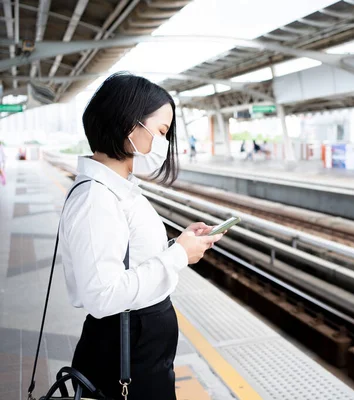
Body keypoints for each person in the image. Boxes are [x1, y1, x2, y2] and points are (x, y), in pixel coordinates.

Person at [59, 72, 223, 400]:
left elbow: (130, 258)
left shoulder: (117, 190)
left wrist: (179, 245)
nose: (161, 143)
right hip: (127, 349)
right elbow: (102, 295)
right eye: (161, 132)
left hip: (139, 345)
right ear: (129, 125)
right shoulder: (96, 199)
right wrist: (178, 257)